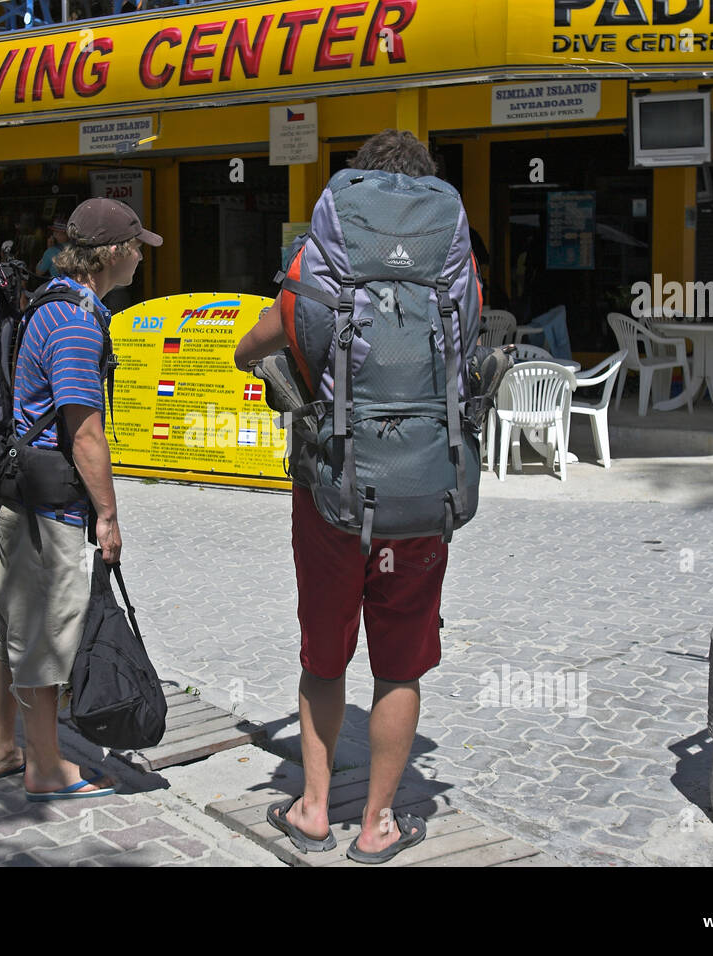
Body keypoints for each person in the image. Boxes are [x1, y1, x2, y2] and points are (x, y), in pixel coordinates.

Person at [234, 129, 475, 863]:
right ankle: (377, 824)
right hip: (423, 496)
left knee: (325, 656)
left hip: (331, 491)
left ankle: (312, 809)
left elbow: (255, 345)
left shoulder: (321, 260)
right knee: (398, 665)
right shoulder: (452, 266)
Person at [0, 198, 162, 799]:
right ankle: (47, 768)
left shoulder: (48, 302)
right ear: (110, 254)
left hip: (18, 499)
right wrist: (107, 513)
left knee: (14, 631)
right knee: (47, 639)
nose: (141, 256)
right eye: (136, 245)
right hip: (46, 509)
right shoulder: (78, 324)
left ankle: (1, 748)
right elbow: (84, 432)